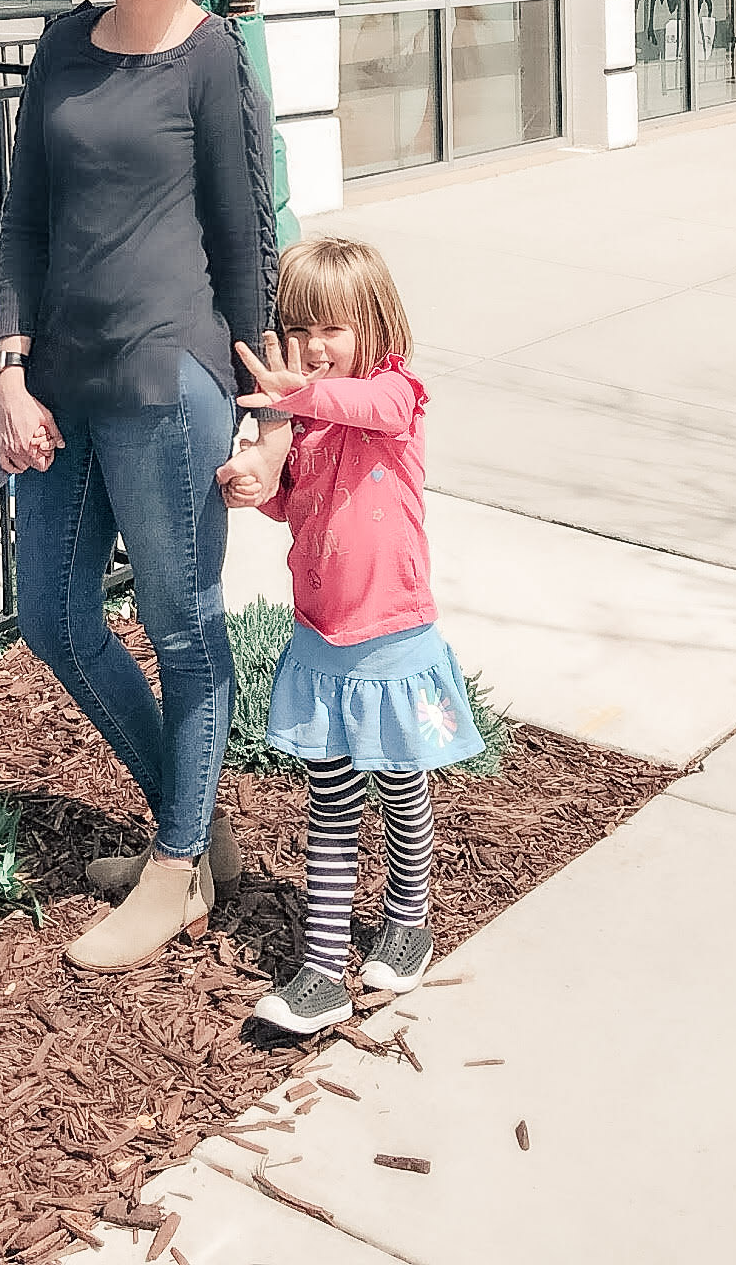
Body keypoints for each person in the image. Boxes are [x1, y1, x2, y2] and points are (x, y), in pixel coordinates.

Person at [0, 0, 278, 972]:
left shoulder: (211, 61)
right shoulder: (61, 46)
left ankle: (174, 871)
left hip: (168, 382)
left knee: (181, 623)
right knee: (54, 620)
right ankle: (197, 836)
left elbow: (246, 243)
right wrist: (6, 366)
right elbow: (21, 217)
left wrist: (269, 415)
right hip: (57, 377)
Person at [216, 235, 483, 1036]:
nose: (314, 346)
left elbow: (375, 407)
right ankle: (322, 971)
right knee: (330, 806)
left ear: (375, 327)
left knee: (401, 792)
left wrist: (295, 397)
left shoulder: (394, 398)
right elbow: (290, 501)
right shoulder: (303, 423)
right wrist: (250, 483)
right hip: (321, 642)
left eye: (333, 329)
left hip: (394, 641)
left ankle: (408, 923)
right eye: (299, 328)